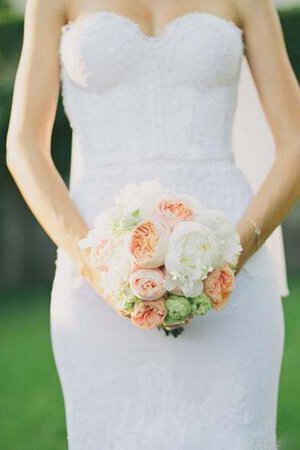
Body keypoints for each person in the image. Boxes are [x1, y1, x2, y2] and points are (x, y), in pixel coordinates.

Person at [6, 0, 300, 448]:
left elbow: (296, 143)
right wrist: (96, 268)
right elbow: (24, 144)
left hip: (232, 260)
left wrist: (229, 257)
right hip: (97, 263)